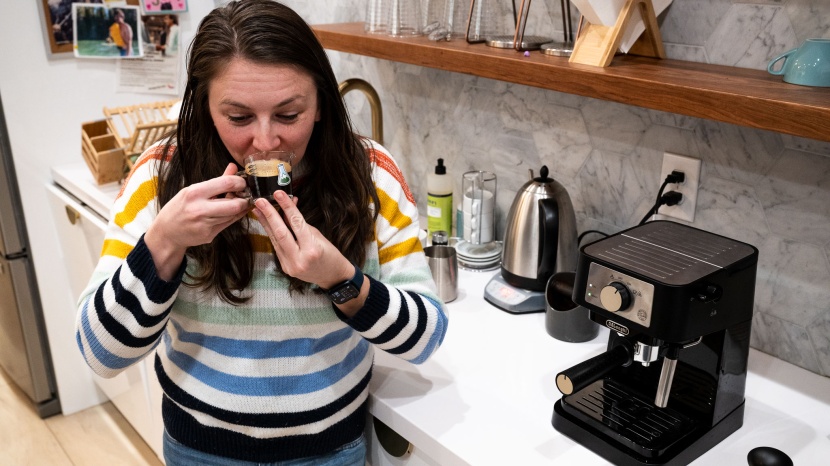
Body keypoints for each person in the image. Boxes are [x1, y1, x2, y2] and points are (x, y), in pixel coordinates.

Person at [74, 1, 448, 465]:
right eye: (238, 118)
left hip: (332, 449)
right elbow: (101, 354)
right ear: (205, 108)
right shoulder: (160, 178)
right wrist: (165, 242)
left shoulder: (370, 174)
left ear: (321, 104)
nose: (266, 142)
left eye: (289, 115)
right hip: (199, 450)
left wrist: (340, 279)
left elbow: (425, 338)